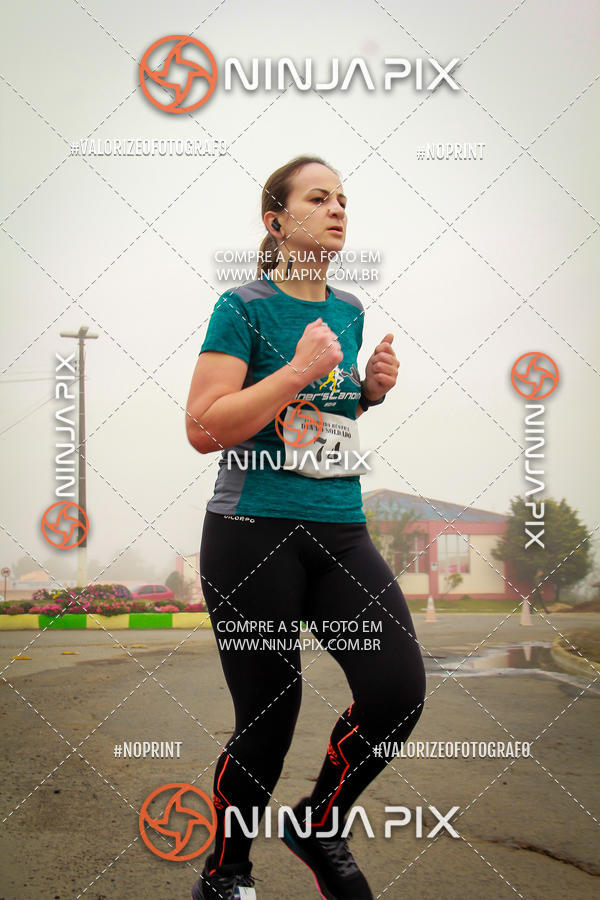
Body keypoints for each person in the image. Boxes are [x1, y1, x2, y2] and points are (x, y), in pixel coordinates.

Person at [185, 155, 426, 900]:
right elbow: (204, 426)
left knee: (398, 691)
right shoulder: (243, 306)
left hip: (340, 529)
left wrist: (365, 393)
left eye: (343, 199)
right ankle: (225, 874)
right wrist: (295, 369)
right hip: (252, 532)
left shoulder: (349, 308)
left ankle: (318, 822)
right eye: (318, 198)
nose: (337, 209)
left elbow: (319, 423)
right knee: (269, 716)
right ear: (275, 221)